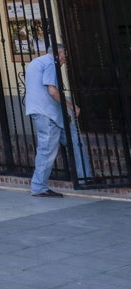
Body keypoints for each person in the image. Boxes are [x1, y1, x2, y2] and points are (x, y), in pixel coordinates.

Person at [24, 43, 85, 197]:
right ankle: (39, 187)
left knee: (75, 140)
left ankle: (83, 176)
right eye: (64, 55)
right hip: (48, 114)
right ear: (58, 54)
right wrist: (71, 106)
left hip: (47, 112)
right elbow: (52, 91)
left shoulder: (35, 62)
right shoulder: (51, 63)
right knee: (47, 150)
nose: (65, 59)